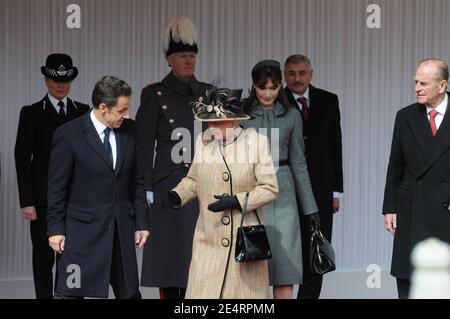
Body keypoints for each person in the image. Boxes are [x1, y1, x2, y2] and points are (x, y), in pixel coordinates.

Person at [161, 87, 279, 298]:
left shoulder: (256, 143)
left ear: (235, 121)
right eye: (210, 122)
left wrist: (237, 200)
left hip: (243, 244)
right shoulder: (203, 141)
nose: (212, 127)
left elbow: (270, 188)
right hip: (208, 240)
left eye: (219, 122)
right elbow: (193, 179)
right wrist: (177, 195)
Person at [46, 76, 150, 299]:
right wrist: (55, 228)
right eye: (122, 110)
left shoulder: (130, 130)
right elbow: (56, 189)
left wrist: (142, 222)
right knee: (70, 294)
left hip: (120, 232)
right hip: (81, 236)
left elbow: (138, 181)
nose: (127, 115)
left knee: (130, 294)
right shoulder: (68, 135)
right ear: (103, 108)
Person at [137, 16, 210, 299]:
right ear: (169, 59)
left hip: (204, 186)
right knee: (170, 263)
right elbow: (143, 147)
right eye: (182, 56)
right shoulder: (154, 94)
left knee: (202, 262)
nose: (188, 61)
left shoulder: (207, 93)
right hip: (168, 186)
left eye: (192, 55)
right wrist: (145, 190)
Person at [241, 59, 319, 299]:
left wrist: (310, 209)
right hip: (252, 194)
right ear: (253, 86)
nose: (267, 93)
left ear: (280, 86)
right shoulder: (240, 114)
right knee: (253, 268)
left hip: (284, 196)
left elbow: (299, 163)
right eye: (262, 87)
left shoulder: (292, 115)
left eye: (273, 87)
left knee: (285, 269)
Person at [14, 53, 89, 299]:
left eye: (66, 80)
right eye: (56, 79)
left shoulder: (83, 112)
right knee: (43, 258)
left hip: (76, 199)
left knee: (70, 257)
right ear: (46, 80)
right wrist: (27, 201)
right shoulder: (31, 113)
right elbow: (22, 158)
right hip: (43, 200)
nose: (61, 84)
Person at [383, 58, 450, 299]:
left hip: (446, 211)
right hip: (412, 210)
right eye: (416, 82)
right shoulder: (405, 116)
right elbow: (395, 166)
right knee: (410, 283)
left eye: (424, 83)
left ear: (442, 86)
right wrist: (389, 208)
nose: (417, 88)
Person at [284, 54, 343, 299]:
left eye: (302, 73)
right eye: (292, 74)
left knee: (316, 247)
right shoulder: (276, 101)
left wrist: (336, 191)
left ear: (311, 74)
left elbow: (335, 147)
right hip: (286, 187)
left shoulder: (329, 100)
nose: (297, 79)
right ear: (285, 76)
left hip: (320, 187)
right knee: (289, 249)